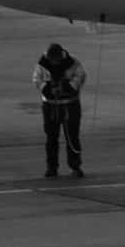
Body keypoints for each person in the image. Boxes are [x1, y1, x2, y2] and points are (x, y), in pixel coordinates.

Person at [33, 43, 86, 177]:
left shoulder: (72, 62)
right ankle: (51, 167)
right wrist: (49, 90)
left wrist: (66, 87)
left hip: (70, 105)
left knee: (73, 137)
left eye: (56, 60)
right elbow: (36, 79)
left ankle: (75, 165)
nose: (54, 63)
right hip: (51, 106)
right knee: (51, 138)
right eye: (52, 60)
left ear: (60, 57)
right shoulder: (43, 64)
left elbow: (80, 76)